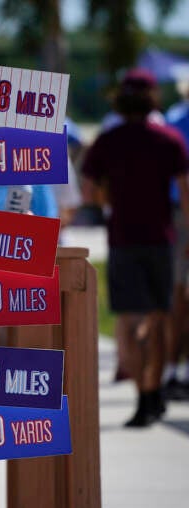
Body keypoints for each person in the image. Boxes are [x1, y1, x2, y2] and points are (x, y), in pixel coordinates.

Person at [82, 68, 189, 427]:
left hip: (122, 237)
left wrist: (107, 202)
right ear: (152, 98)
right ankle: (152, 390)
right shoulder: (169, 139)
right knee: (159, 318)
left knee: (128, 320)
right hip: (161, 238)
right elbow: (185, 192)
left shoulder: (108, 141)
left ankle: (142, 397)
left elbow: (88, 187)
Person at [164, 76, 189, 399]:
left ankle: (172, 369)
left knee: (175, 295)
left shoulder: (172, 122)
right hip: (179, 213)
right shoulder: (173, 124)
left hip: (173, 214)